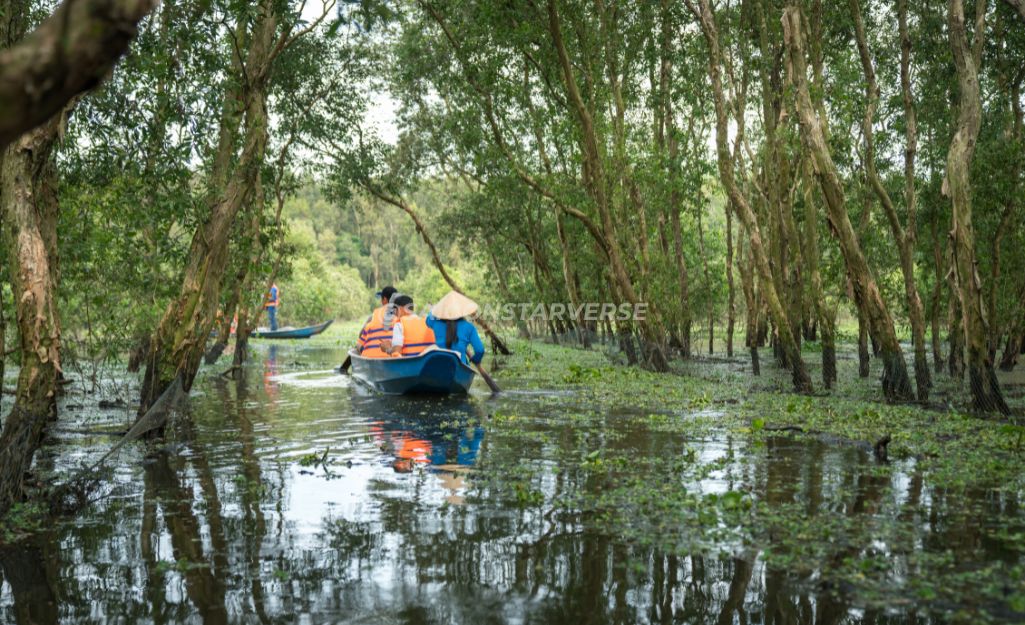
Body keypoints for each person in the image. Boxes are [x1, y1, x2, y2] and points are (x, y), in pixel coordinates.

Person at [426, 291, 485, 366]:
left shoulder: (434, 323)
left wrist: (435, 308)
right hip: (460, 364)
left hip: (438, 364)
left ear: (443, 310)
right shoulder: (469, 327)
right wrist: (475, 360)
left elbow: (429, 318)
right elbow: (480, 350)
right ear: (462, 310)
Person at [357, 285, 398, 358]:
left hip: (371, 356)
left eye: (381, 299)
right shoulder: (400, 314)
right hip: (393, 356)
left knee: (358, 344)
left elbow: (360, 335)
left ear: (384, 299)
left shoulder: (373, 315)